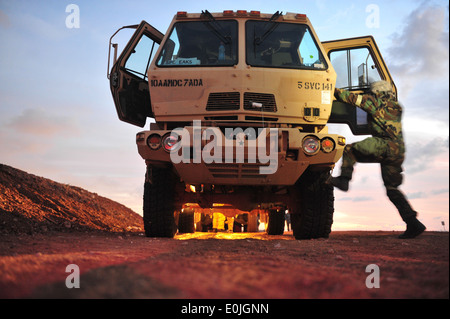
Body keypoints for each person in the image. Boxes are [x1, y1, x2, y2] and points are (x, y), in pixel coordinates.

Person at [330, 81, 426, 239]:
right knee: (392, 188)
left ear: (377, 92)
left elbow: (348, 97)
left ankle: (343, 179)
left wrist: (330, 88)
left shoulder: (374, 102)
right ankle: (413, 222)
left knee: (349, 150)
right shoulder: (397, 106)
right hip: (398, 150)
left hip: (383, 144)